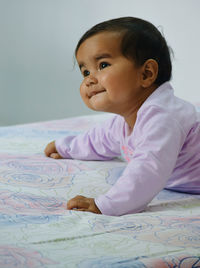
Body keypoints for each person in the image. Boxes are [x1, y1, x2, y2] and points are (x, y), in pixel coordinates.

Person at [44, 17, 200, 216]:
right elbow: (98, 141)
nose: (89, 80)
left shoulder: (163, 117)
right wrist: (66, 147)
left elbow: (148, 170)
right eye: (85, 71)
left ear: (146, 74)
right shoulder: (124, 121)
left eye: (102, 65)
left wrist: (107, 204)